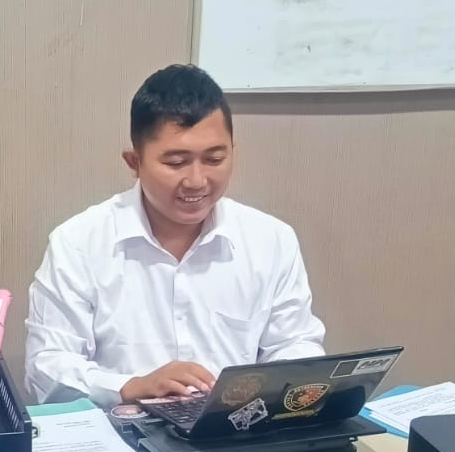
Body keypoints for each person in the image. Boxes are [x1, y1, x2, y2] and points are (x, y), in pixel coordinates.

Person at [25, 63, 325, 407]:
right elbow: (46, 369)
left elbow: (296, 345)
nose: (197, 181)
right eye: (176, 163)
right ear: (134, 162)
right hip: (121, 429)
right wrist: (131, 386)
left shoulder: (271, 240)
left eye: (214, 159)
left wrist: (275, 385)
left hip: (235, 428)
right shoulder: (79, 243)